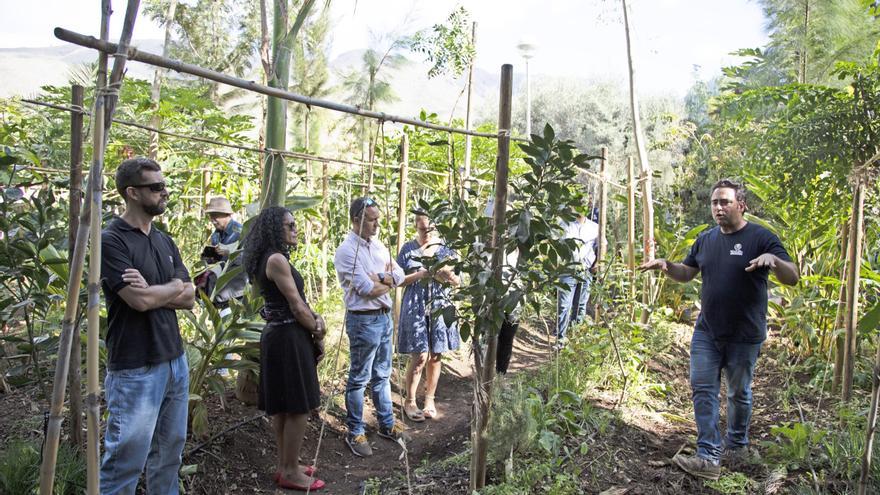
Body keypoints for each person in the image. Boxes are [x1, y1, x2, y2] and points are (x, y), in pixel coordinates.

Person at [639, 179, 799, 480]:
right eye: (714, 202)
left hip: (745, 334)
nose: (718, 207)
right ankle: (709, 456)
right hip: (707, 332)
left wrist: (774, 261)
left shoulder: (761, 237)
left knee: (739, 393)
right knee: (703, 388)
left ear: (741, 204)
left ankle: (737, 445)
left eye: (724, 202)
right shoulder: (706, 240)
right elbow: (688, 272)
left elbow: (792, 277)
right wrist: (667, 266)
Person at [99, 157, 195, 494]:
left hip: (174, 362)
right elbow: (138, 302)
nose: (164, 192)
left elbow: (190, 296)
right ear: (132, 193)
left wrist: (157, 292)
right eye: (156, 187)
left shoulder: (164, 240)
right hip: (135, 369)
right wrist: (170, 289)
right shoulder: (112, 240)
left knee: (169, 456)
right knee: (125, 461)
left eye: (164, 185)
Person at [243, 206, 325, 491]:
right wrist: (318, 329)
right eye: (289, 225)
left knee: (284, 405)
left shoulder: (270, 257)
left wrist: (314, 320)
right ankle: (289, 471)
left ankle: (286, 464)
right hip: (288, 336)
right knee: (298, 406)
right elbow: (296, 305)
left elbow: (298, 302)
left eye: (295, 224)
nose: (295, 229)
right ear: (273, 229)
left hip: (281, 335)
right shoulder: (276, 259)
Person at [334, 197, 409, 457]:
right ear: (356, 220)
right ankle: (354, 430)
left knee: (383, 374)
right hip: (363, 320)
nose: (378, 223)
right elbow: (365, 291)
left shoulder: (377, 245)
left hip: (384, 316)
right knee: (359, 377)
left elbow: (399, 273)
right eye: (372, 219)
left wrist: (380, 277)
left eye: (378, 218)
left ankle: (386, 423)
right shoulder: (346, 251)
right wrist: (387, 280)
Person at [396, 213, 461, 422]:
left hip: (440, 304)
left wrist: (448, 275)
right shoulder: (407, 249)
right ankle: (410, 400)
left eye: (430, 229)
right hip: (415, 305)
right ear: (416, 227)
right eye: (422, 229)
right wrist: (420, 274)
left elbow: (458, 281)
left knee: (435, 353)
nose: (426, 233)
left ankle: (430, 399)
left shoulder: (446, 249)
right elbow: (397, 280)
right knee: (420, 355)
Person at [556, 210, 599, 347]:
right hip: (567, 269)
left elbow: (602, 245)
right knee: (564, 305)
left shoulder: (594, 227)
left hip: (585, 271)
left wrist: (597, 263)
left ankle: (574, 338)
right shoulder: (564, 224)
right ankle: (561, 339)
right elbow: (555, 244)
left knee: (580, 305)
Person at [197, 196, 246, 308]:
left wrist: (230, 253)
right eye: (211, 217)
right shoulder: (216, 234)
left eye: (215, 216)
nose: (213, 220)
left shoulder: (241, 232)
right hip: (219, 290)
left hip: (235, 291)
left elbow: (250, 256)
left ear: (227, 215)